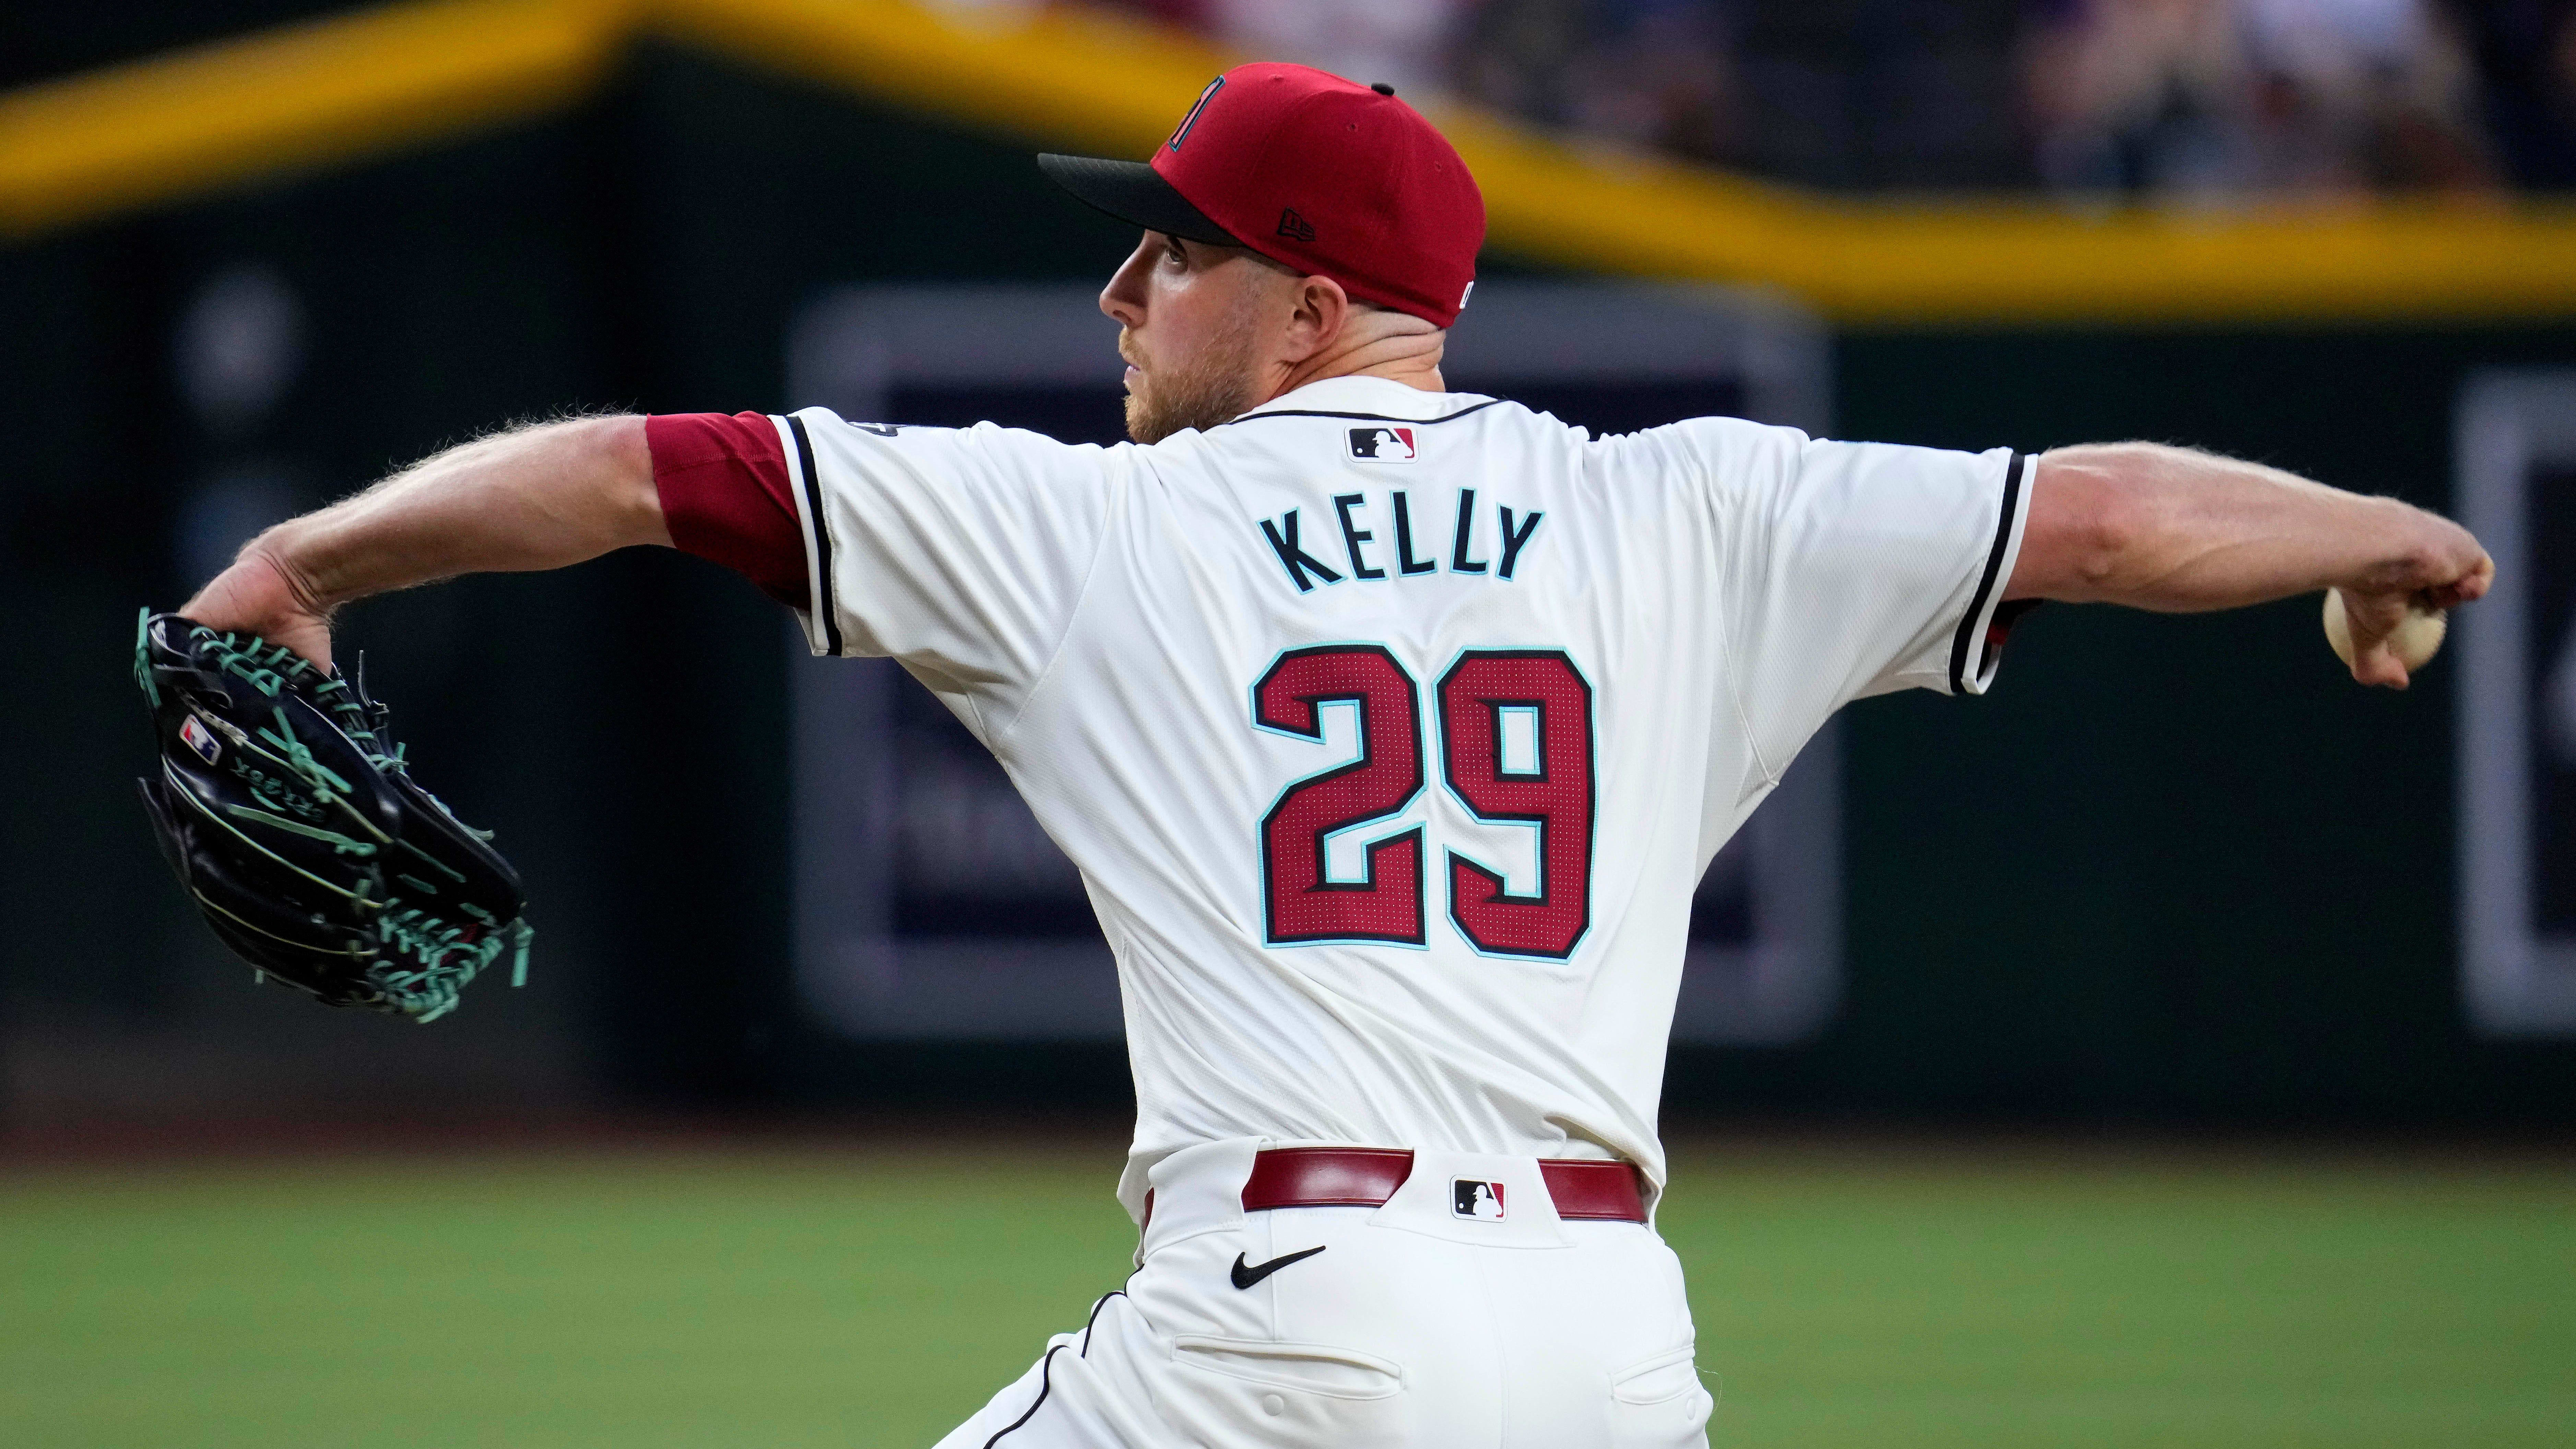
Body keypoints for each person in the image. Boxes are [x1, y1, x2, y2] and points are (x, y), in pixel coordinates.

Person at [179, 61, 2491, 1449]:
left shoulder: (1085, 523)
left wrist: (309, 555)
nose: (1117, 294)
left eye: (1169, 254)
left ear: (1306, 309)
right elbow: (2091, 517)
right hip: (1610, 1357)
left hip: (1293, 1336)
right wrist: (2378, 524)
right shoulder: (1689, 505)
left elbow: (628, 470)